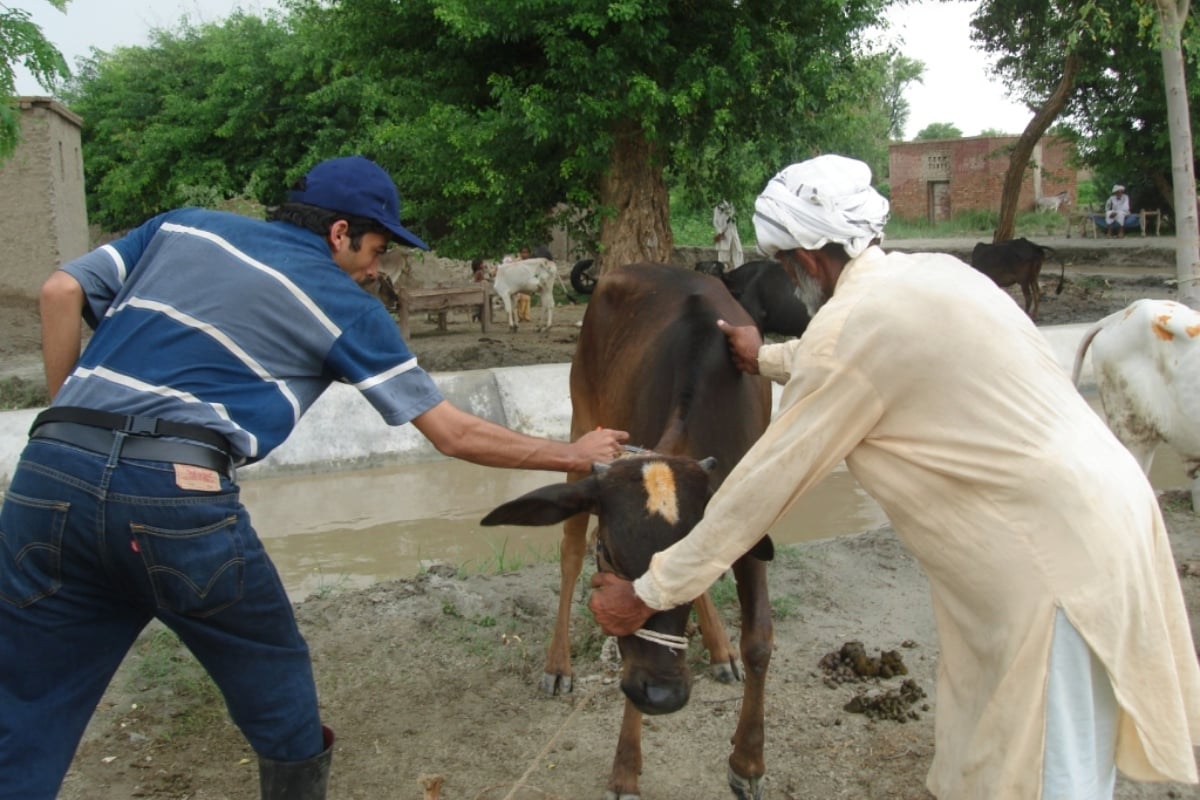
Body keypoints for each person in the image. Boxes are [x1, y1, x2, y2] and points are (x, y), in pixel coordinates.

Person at [0, 155, 627, 800]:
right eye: (376, 249)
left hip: (46, 474)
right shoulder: (343, 306)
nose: (375, 270)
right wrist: (573, 453)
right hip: (174, 496)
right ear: (339, 233)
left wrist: (70, 420)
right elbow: (453, 434)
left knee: (25, 703)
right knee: (276, 683)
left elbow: (59, 293)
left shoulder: (181, 228)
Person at [589, 154, 1200, 799]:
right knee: (1021, 754)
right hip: (1114, 515)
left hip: (1050, 563)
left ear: (810, 259)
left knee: (1051, 772)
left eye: (787, 261)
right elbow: (867, 352)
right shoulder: (939, 278)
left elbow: (755, 494)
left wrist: (651, 591)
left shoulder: (849, 337)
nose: (790, 276)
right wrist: (765, 357)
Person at [713, 199, 745, 270]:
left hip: (733, 232)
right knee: (724, 255)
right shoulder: (719, 207)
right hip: (724, 234)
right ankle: (723, 273)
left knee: (738, 252)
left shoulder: (733, 204)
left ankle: (739, 271)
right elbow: (716, 222)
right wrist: (720, 232)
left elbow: (733, 220)